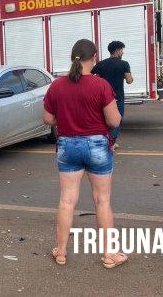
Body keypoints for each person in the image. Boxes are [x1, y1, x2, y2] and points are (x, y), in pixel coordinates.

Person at [43, 39, 126, 268]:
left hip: (67, 146)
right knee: (102, 201)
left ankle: (60, 252)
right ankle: (109, 255)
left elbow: (48, 119)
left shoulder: (57, 85)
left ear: (73, 58)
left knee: (66, 201)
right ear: (95, 58)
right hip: (98, 146)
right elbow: (114, 120)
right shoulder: (100, 86)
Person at [91, 41, 133, 145]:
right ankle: (111, 143)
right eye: (122, 50)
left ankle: (103, 141)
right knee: (116, 121)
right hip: (117, 98)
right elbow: (129, 80)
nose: (122, 53)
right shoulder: (124, 64)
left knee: (103, 120)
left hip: (102, 98)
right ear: (117, 50)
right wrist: (124, 75)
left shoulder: (101, 64)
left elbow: (90, 76)